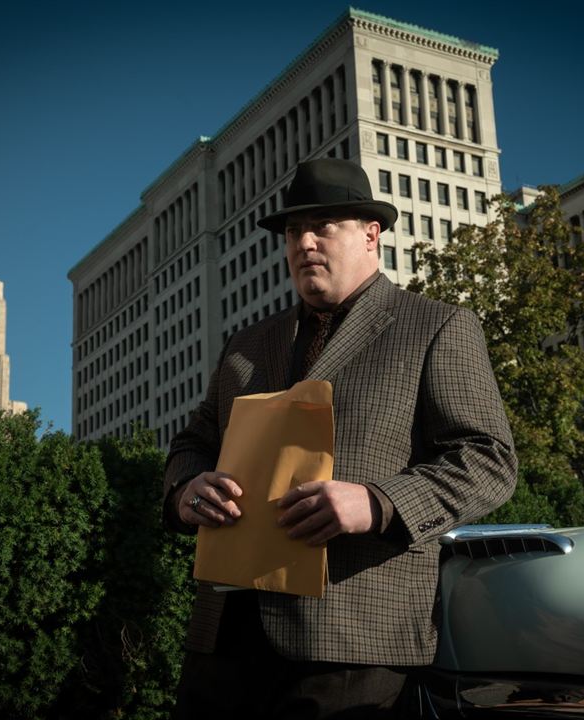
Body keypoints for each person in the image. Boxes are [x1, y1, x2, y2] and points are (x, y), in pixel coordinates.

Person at [163, 157, 517, 718]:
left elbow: (488, 459)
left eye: (322, 226)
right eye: (293, 231)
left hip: (351, 637)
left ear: (371, 234)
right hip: (225, 637)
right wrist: (186, 490)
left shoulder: (437, 326)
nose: (304, 242)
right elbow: (193, 443)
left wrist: (378, 503)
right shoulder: (245, 344)